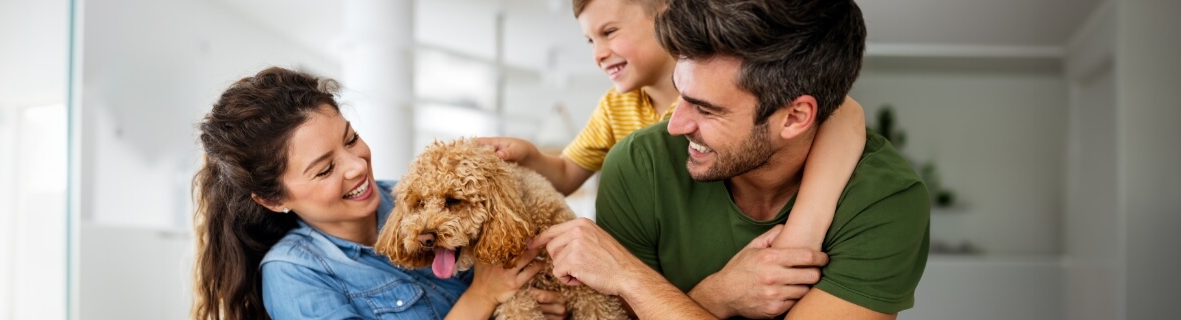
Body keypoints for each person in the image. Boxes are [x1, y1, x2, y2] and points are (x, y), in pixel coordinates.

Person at [530, 0, 931, 319]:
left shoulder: (886, 199)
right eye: (679, 94)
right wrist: (719, 295)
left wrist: (629, 278)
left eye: (706, 110)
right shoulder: (639, 164)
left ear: (794, 117)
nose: (675, 124)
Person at [478, 0, 869, 251]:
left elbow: (843, 113)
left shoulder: (743, 87)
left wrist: (802, 233)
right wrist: (530, 155)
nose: (598, 54)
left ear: (664, 11)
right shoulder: (618, 107)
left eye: (609, 31)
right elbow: (566, 172)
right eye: (589, 41)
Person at [191, 67, 566, 320]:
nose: (356, 166)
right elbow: (489, 290)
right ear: (274, 199)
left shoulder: (414, 196)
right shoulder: (294, 276)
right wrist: (483, 297)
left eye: (351, 139)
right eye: (325, 169)